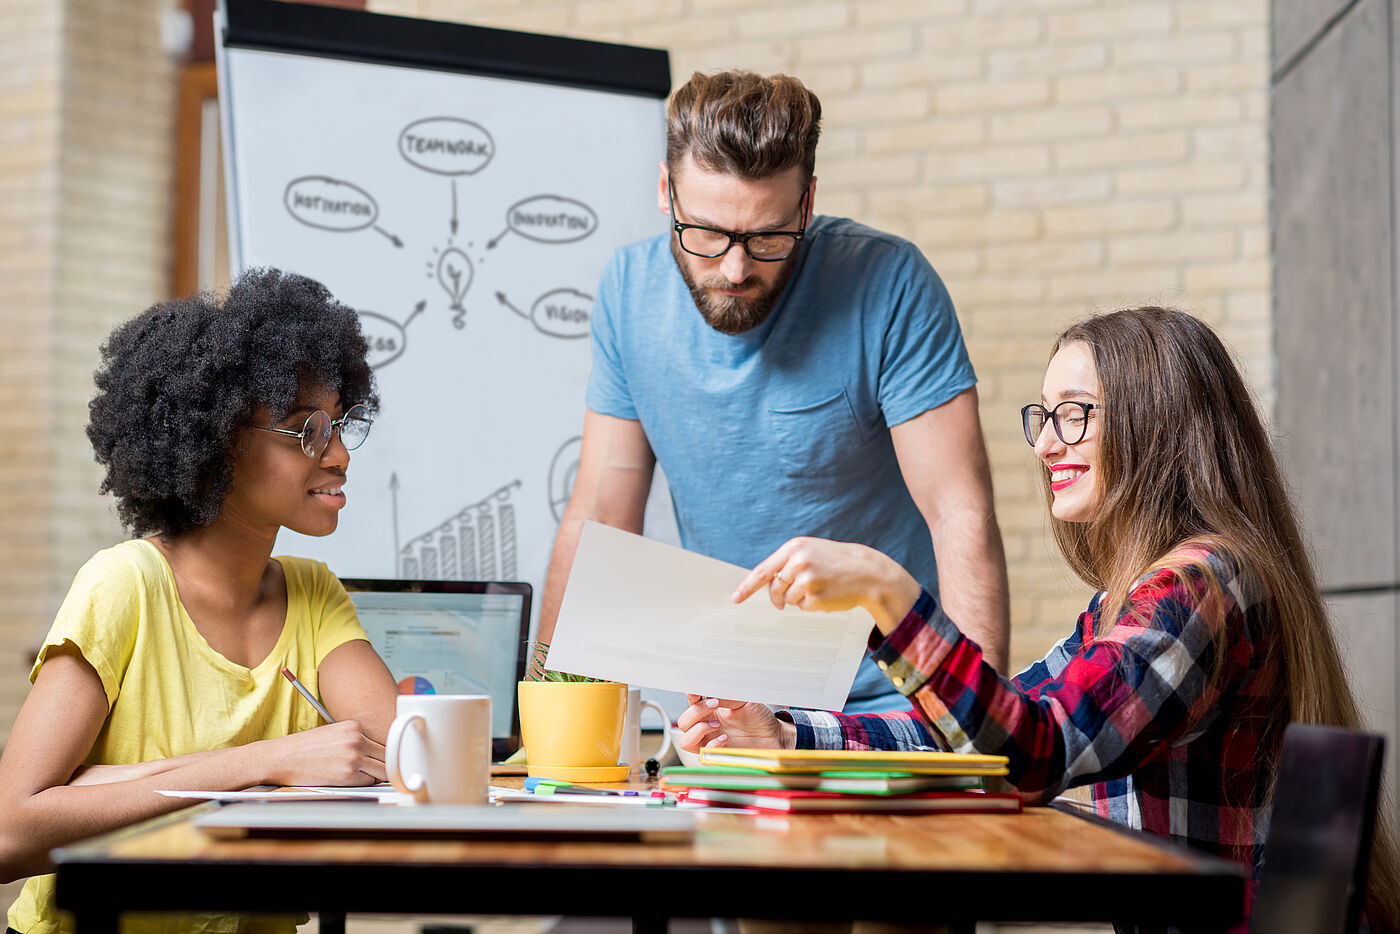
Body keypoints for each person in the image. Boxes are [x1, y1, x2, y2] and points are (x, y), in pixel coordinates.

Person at [677, 306, 1400, 930]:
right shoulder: (1131, 601)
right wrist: (787, 734)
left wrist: (890, 596)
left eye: (1075, 414)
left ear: (1157, 424)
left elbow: (1030, 755)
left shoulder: (1202, 587)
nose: (1047, 443)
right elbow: (985, 734)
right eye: (1045, 416)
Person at [538, 70, 1010, 711]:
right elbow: (598, 514)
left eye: (767, 237)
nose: (735, 269)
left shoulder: (890, 284)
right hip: (733, 709)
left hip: (891, 704)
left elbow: (960, 513)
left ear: (807, 204)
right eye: (705, 233)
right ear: (664, 192)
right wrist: (546, 716)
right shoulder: (628, 293)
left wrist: (981, 729)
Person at [0, 269, 400, 934]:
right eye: (306, 429)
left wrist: (116, 785)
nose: (338, 457)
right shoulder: (123, 585)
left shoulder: (314, 591)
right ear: (216, 443)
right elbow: (10, 831)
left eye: (340, 425)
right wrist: (266, 763)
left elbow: (396, 769)